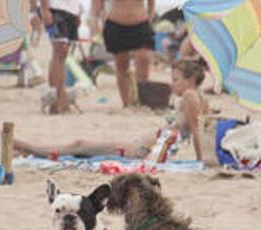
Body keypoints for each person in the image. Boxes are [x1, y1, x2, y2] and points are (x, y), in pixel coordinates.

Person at [14, 59, 210, 162]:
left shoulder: (189, 96)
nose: (171, 84)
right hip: (143, 147)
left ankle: (30, 147)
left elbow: (196, 130)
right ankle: (31, 150)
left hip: (141, 151)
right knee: (83, 149)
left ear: (190, 80)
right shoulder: (200, 97)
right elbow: (203, 127)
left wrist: (201, 160)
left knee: (80, 144)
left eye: (176, 79)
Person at [92, 0, 157, 108]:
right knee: (122, 64)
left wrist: (149, 16)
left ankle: (142, 97)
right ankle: (126, 103)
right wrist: (101, 12)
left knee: (144, 58)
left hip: (140, 24)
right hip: (116, 24)